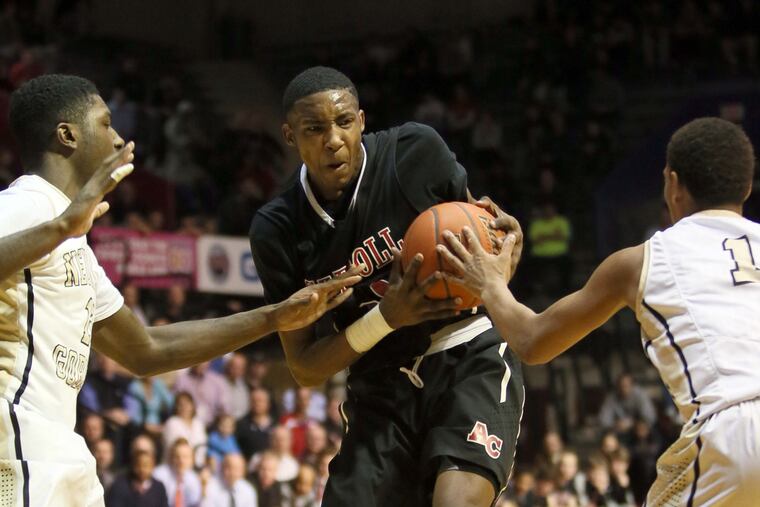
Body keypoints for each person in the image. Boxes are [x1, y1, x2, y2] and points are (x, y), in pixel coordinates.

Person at [0, 74, 360, 507]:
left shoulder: (71, 238)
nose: (117, 139)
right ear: (67, 135)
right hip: (19, 445)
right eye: (104, 123)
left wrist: (273, 317)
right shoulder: (28, 204)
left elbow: (148, 349)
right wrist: (60, 227)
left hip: (61, 452)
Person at [438, 117, 760, 505]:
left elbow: (533, 341)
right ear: (746, 185)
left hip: (735, 429)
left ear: (672, 184)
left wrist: (490, 284)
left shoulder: (644, 260)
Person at [249, 66, 525, 507]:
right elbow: (304, 367)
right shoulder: (276, 230)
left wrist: (508, 248)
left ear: (361, 120)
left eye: (343, 123)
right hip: (379, 382)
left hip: (466, 352)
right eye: (314, 129)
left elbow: (482, 233)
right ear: (289, 136)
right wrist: (386, 318)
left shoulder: (413, 153)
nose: (333, 140)